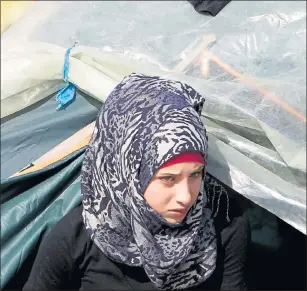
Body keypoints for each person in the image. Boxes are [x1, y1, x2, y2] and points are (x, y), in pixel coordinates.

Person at [23, 73, 250, 290]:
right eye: (168, 179)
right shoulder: (77, 237)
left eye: (195, 174)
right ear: (128, 174)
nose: (187, 197)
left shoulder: (224, 225)